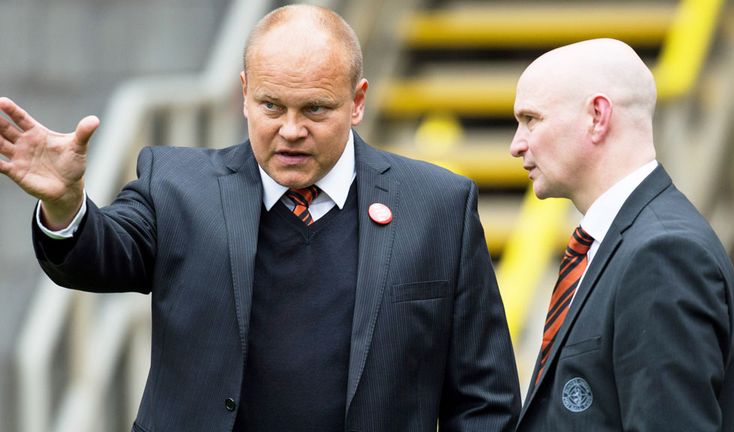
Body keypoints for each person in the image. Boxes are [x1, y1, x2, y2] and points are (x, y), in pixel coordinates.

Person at [0, 5, 521, 432]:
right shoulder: (177, 184)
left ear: (357, 101)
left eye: (315, 109)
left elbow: (483, 402)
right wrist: (66, 204)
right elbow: (101, 256)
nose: (291, 130)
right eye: (271, 106)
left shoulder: (437, 205)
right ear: (244, 93)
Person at [509, 38, 734, 431]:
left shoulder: (664, 254)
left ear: (597, 116)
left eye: (531, 119)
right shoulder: (626, 245)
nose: (516, 145)